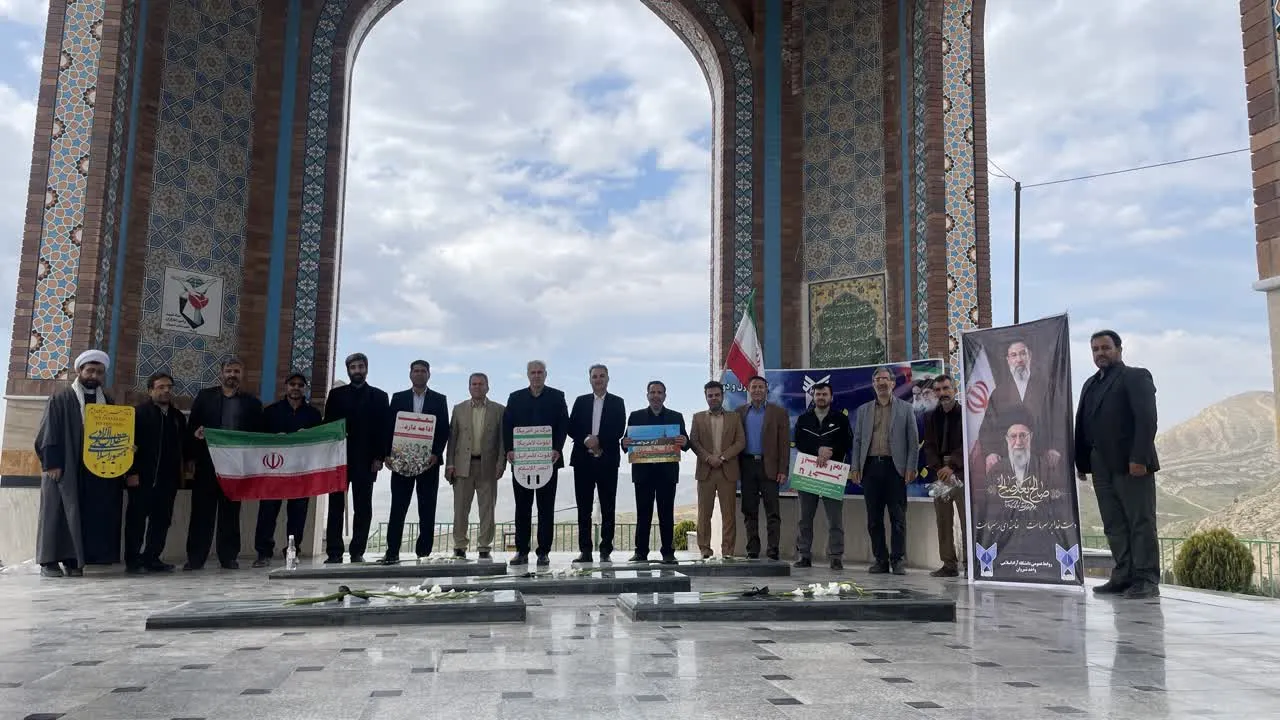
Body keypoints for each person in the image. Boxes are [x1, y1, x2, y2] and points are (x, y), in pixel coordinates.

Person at [1074, 329, 1160, 599]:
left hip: (1130, 464)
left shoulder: (1135, 377)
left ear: (1119, 349)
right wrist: (1082, 461)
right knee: (1113, 523)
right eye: (1095, 349)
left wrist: (1139, 458)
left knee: (1140, 521)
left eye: (1105, 348)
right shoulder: (1090, 384)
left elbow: (1146, 420)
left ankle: (1146, 578)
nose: (1100, 353)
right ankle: (1123, 575)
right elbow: (1084, 424)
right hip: (1100, 465)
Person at [34, 350, 127, 577]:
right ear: (80, 371)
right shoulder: (61, 399)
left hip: (94, 469)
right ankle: (49, 562)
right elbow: (48, 432)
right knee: (57, 513)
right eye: (90, 371)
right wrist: (52, 463)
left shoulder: (108, 402)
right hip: (64, 466)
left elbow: (116, 432)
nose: (94, 375)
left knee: (84, 515)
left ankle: (74, 561)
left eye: (99, 372)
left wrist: (124, 447)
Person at [186, 357, 264, 570]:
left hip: (236, 468)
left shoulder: (252, 403)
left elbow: (258, 434)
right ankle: (195, 559)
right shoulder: (205, 397)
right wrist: (195, 438)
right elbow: (192, 425)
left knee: (230, 514)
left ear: (242, 374)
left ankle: (228, 557)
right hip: (207, 465)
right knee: (201, 513)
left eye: (236, 371)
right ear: (221, 373)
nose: (232, 375)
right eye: (229, 371)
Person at [850, 366, 919, 575]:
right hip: (870, 468)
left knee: (898, 518)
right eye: (877, 379)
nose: (881, 383)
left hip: (895, 469)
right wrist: (855, 467)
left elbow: (913, 441)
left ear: (893, 383)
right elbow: (858, 440)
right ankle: (880, 560)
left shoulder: (905, 408)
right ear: (873, 384)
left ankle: (897, 560)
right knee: (874, 519)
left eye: (885, 379)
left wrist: (911, 467)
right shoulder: (864, 410)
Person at [322, 352, 389, 563]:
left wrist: (379, 457)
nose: (357, 371)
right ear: (348, 371)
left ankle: (357, 551)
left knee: (363, 507)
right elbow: (328, 426)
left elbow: (383, 430)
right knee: (335, 506)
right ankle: (334, 552)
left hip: (367, 460)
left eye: (360, 367)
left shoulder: (379, 396)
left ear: (366, 369)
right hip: (340, 459)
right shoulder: (336, 395)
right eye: (353, 367)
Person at [381, 360, 450, 563]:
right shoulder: (398, 397)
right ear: (410, 374)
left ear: (429, 374)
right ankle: (392, 551)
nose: (419, 374)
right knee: (398, 506)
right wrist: (387, 454)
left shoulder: (439, 399)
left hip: (428, 463)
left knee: (427, 507)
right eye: (416, 371)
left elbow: (443, 429)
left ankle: (424, 552)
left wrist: (436, 453)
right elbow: (389, 427)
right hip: (401, 461)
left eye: (423, 371)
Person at [252, 373, 322, 568]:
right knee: (267, 513)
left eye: (300, 385)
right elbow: (259, 439)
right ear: (286, 387)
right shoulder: (271, 412)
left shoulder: (313, 415)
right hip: (274, 471)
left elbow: (319, 442)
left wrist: (307, 436)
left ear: (305, 388)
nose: (296, 388)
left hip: (301, 471)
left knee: (298, 514)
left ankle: (292, 551)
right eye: (292, 384)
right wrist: (276, 438)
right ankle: (263, 553)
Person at [503, 360, 569, 567]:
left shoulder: (557, 397)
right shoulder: (515, 398)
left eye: (540, 372)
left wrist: (557, 448)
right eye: (533, 372)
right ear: (528, 375)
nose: (537, 375)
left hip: (548, 462)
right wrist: (509, 449)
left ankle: (543, 552)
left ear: (546, 374)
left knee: (546, 508)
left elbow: (563, 425)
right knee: (522, 508)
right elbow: (507, 425)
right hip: (521, 463)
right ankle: (521, 551)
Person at [125, 371, 187, 573]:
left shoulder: (178, 417)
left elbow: (183, 447)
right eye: (161, 387)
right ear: (150, 390)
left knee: (161, 521)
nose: (166, 391)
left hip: (167, 481)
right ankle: (133, 561)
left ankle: (152, 558)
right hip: (142, 478)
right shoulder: (137, 414)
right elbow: (127, 446)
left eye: (169, 387)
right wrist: (131, 472)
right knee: (136, 521)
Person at [622, 381, 689, 564]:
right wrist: (624, 443)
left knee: (666, 514)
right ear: (647, 395)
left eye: (659, 392)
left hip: (667, 475)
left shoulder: (676, 416)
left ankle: (668, 553)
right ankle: (640, 552)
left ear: (665, 396)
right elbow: (626, 442)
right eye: (653, 392)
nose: (656, 396)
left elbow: (686, 443)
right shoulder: (635, 416)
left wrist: (684, 441)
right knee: (643, 514)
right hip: (643, 475)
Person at [567, 364, 627, 563]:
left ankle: (605, 551)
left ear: (608, 379)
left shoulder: (618, 402)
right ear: (590, 379)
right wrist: (586, 440)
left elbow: (619, 428)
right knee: (583, 508)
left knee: (608, 507)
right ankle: (585, 551)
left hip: (607, 460)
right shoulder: (580, 401)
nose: (598, 379)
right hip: (582, 461)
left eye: (602, 376)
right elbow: (571, 427)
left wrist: (598, 441)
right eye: (595, 376)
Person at [445, 372, 505, 560]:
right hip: (463, 466)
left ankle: (484, 546)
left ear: (488, 387)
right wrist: (449, 464)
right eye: (474, 384)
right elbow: (452, 439)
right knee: (460, 508)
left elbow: (502, 440)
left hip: (488, 466)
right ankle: (459, 545)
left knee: (487, 509)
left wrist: (501, 463)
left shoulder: (499, 410)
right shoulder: (458, 409)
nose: (477, 387)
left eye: (481, 384)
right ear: (469, 387)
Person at [792, 381, 852, 569]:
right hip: (808, 473)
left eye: (824, 394)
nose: (821, 397)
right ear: (813, 397)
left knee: (835, 519)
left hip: (832, 474)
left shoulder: (841, 419)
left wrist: (830, 452)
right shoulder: (803, 419)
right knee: (805, 518)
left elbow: (847, 442)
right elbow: (799, 442)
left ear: (831, 397)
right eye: (818, 394)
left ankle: (836, 557)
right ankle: (804, 555)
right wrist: (817, 450)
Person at [689, 380, 745, 559]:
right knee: (704, 514)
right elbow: (694, 442)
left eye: (717, 395)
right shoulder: (698, 418)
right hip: (705, 471)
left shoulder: (734, 417)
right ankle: (705, 550)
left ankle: (727, 552)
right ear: (705, 397)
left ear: (722, 396)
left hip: (727, 470)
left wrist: (721, 458)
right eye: (710, 395)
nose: (713, 398)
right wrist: (708, 458)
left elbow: (740, 442)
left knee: (728, 515)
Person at [736, 375, 789, 560]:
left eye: (761, 387)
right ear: (748, 390)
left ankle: (773, 550)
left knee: (773, 512)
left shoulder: (778, 412)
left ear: (767, 390)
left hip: (770, 467)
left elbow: (784, 444)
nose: (757, 390)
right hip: (747, 466)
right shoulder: (739, 412)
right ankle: (752, 549)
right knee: (749, 511)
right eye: (754, 387)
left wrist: (783, 469)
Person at [921, 374, 965, 577]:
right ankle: (949, 564)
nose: (942, 393)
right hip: (940, 475)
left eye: (946, 388)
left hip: (961, 473)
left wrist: (952, 466)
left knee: (966, 520)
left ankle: (971, 564)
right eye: (938, 390)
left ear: (954, 389)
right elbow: (929, 445)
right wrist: (939, 468)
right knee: (943, 520)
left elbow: (969, 443)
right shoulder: (931, 416)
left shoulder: (965, 414)